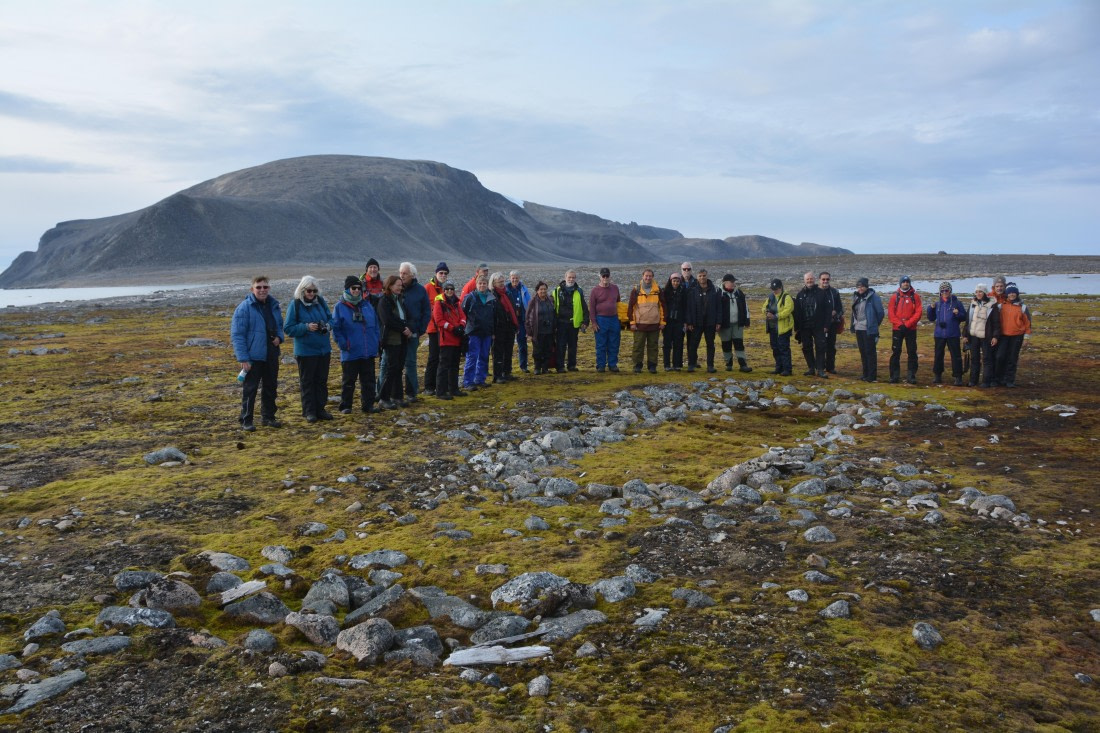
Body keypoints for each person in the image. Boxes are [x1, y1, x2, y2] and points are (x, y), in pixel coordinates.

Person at [231, 276, 284, 431]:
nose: (262, 290)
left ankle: (268, 417)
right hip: (253, 356)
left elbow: (280, 325)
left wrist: (279, 338)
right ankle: (246, 419)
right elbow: (237, 335)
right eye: (258, 287)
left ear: (269, 288)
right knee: (250, 389)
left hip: (271, 353)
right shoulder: (244, 308)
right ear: (252, 289)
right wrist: (243, 358)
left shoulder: (273, 305)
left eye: (265, 287)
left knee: (270, 387)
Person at [283, 275, 333, 423]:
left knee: (321, 381)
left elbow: (332, 319)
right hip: (305, 351)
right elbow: (288, 328)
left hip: (323, 350)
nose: (311, 294)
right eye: (309, 291)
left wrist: (327, 326)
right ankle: (309, 411)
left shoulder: (321, 302)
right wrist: (306, 327)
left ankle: (320, 409)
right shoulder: (295, 305)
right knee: (307, 382)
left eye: (314, 291)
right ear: (302, 290)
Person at [331, 276, 380, 414]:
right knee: (348, 381)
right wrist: (344, 344)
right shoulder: (339, 307)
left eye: (359, 288)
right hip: (350, 351)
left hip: (367, 350)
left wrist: (375, 342)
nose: (357, 291)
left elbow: (375, 325)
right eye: (353, 288)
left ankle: (368, 405)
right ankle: (346, 406)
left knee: (368, 380)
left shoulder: (367, 305)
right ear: (347, 289)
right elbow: (336, 328)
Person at [375, 275, 411, 409]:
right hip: (391, 340)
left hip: (402, 339)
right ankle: (384, 398)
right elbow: (387, 320)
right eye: (397, 285)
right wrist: (403, 328)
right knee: (392, 368)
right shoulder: (384, 301)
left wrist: (408, 328)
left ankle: (397, 396)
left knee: (399, 368)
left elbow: (405, 317)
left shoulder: (399, 300)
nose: (400, 287)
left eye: (401, 285)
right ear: (390, 286)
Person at [396, 262, 430, 401]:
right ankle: (388, 393)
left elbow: (426, 312)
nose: (402, 276)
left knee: (410, 362)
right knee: (391, 363)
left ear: (412, 275)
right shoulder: (395, 288)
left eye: (405, 273)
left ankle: (412, 392)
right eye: (400, 273)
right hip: (396, 334)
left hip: (413, 333)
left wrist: (419, 330)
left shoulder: (420, 290)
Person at [926, 281, 967, 386]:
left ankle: (958, 377)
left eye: (946, 290)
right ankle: (937, 376)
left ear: (950, 291)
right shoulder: (937, 304)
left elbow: (964, 317)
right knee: (938, 355)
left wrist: (958, 314)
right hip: (939, 334)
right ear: (940, 292)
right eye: (942, 290)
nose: (944, 292)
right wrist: (930, 308)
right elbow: (931, 318)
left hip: (953, 333)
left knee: (956, 356)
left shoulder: (957, 303)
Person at [431, 281, 466, 400]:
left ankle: (453, 388)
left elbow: (463, 316)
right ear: (443, 290)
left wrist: (461, 326)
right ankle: (441, 391)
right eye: (447, 289)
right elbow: (438, 320)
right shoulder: (439, 303)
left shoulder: (456, 302)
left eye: (451, 289)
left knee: (455, 364)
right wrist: (452, 328)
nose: (449, 291)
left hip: (457, 338)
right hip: (446, 339)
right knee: (444, 365)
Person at [461, 274, 496, 389]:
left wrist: (493, 331)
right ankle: (468, 382)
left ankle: (480, 379)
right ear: (476, 285)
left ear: (487, 285)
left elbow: (494, 316)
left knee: (484, 356)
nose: (482, 285)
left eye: (484, 283)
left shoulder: (491, 298)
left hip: (486, 332)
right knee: (472, 356)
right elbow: (463, 313)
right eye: (480, 283)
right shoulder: (470, 297)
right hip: (473, 332)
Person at [994, 284, 1031, 388]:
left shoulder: (1023, 307)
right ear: (1006, 294)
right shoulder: (1001, 306)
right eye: (1009, 293)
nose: (1011, 294)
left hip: (1017, 336)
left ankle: (1009, 380)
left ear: (1017, 293)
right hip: (1003, 336)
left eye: (1013, 292)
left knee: (1012, 358)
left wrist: (1026, 338)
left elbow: (1028, 324)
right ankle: (998, 378)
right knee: (1000, 357)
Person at [628, 268, 664, 374]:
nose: (648, 278)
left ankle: (652, 366)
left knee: (653, 346)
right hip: (639, 325)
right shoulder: (636, 290)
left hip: (654, 324)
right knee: (638, 346)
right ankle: (637, 366)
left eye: (650, 276)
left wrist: (663, 322)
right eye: (646, 276)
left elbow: (663, 307)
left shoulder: (658, 290)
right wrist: (632, 322)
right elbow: (631, 307)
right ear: (642, 276)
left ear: (653, 277)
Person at [551, 270, 589, 372]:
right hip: (561, 323)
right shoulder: (556, 291)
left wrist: (585, 321)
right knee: (561, 345)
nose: (571, 279)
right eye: (569, 277)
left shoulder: (579, 291)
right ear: (565, 277)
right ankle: (560, 366)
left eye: (573, 277)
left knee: (573, 345)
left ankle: (571, 365)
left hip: (574, 323)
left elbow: (584, 307)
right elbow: (552, 308)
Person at [887, 275, 923, 384]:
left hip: (910, 329)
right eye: (904, 282)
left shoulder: (915, 297)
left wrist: (907, 324)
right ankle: (894, 375)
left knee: (912, 352)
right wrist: (899, 324)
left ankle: (911, 375)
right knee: (896, 351)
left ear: (909, 283)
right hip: (897, 329)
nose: (906, 283)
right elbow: (890, 313)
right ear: (900, 283)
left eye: (907, 282)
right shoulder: (895, 297)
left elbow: (918, 312)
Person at [794, 271, 829, 378]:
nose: (809, 281)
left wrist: (826, 325)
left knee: (820, 347)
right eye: (807, 279)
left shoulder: (821, 293)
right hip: (804, 326)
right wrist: (797, 328)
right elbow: (797, 312)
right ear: (804, 281)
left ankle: (820, 369)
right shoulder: (800, 294)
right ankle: (811, 368)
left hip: (819, 326)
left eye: (811, 279)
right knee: (806, 347)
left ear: (814, 280)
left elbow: (828, 310)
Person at [686, 268, 721, 372]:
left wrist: (718, 321)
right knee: (693, 344)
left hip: (710, 322)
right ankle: (691, 364)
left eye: (704, 275)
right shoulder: (692, 290)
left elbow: (718, 306)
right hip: (696, 322)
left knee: (710, 344)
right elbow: (689, 307)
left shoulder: (714, 289)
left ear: (707, 276)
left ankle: (710, 366)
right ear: (697, 277)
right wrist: (689, 322)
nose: (702, 278)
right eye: (700, 276)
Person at [422, 262, 449, 396]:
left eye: (445, 273)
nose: (443, 275)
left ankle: (441, 384)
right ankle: (429, 386)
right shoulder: (428, 288)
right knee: (433, 357)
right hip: (433, 328)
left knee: (443, 357)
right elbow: (424, 307)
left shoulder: (446, 289)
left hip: (444, 329)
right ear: (436, 273)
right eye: (441, 273)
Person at [850, 277, 885, 382]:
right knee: (863, 352)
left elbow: (880, 313)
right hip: (858, 328)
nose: (860, 288)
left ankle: (872, 376)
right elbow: (854, 312)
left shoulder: (874, 297)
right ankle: (865, 374)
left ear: (866, 287)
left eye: (862, 286)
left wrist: (873, 324)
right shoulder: (856, 297)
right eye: (858, 286)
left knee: (870, 352)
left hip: (869, 329)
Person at [966, 283, 1000, 388]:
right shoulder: (972, 304)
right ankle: (973, 380)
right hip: (974, 335)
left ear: (985, 293)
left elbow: (996, 323)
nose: (978, 294)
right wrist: (965, 335)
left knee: (987, 359)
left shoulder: (992, 306)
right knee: (974, 358)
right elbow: (968, 321)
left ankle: (986, 381)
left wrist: (995, 336)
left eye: (980, 291)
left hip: (986, 336)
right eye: (976, 292)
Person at [589, 267, 622, 373]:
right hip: (601, 319)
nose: (605, 278)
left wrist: (621, 319)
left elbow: (618, 302)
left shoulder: (615, 288)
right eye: (603, 276)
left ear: (610, 276)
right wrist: (594, 322)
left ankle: (613, 364)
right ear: (600, 277)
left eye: (607, 276)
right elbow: (592, 308)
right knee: (601, 343)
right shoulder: (595, 291)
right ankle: (601, 365)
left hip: (614, 319)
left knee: (614, 343)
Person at [490, 272, 520, 383]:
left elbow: (512, 309)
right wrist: (492, 330)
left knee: (508, 350)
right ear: (493, 283)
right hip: (498, 328)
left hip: (509, 326)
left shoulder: (507, 293)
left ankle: (507, 372)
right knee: (498, 352)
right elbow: (491, 315)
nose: (502, 284)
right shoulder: (492, 296)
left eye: (503, 281)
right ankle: (497, 375)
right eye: (499, 282)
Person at [718, 274, 752, 372]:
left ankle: (743, 364)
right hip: (725, 324)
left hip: (737, 324)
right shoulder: (719, 293)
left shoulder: (739, 293)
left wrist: (747, 319)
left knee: (739, 343)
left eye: (734, 282)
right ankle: (728, 364)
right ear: (725, 282)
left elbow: (745, 306)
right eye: (731, 282)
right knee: (726, 344)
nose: (734, 284)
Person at [762, 278, 793, 376]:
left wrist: (776, 316)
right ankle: (778, 367)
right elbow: (764, 307)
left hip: (783, 328)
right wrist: (766, 312)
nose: (774, 291)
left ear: (780, 287)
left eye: (776, 289)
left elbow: (788, 310)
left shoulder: (786, 297)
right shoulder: (770, 297)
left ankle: (787, 369)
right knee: (775, 348)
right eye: (773, 289)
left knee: (783, 348)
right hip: (772, 328)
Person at [525, 281, 556, 374]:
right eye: (541, 289)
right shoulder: (533, 302)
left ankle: (545, 368)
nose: (543, 291)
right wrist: (529, 332)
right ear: (537, 291)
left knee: (548, 349)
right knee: (537, 350)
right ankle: (537, 368)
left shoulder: (551, 300)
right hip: (537, 331)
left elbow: (554, 314)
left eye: (545, 289)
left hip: (549, 330)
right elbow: (527, 318)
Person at [505, 271, 532, 373]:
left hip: (521, 320)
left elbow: (528, 303)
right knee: (508, 345)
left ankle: (523, 365)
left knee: (522, 344)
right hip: (510, 321)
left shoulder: (523, 289)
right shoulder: (506, 290)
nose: (515, 280)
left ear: (519, 278)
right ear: (510, 278)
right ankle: (507, 368)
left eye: (516, 278)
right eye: (513, 278)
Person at [662, 272, 687, 370]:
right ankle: (667, 365)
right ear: (670, 281)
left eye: (677, 281)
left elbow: (686, 307)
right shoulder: (665, 292)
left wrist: (685, 321)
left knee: (678, 343)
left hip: (679, 321)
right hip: (668, 321)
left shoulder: (684, 292)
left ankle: (677, 364)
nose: (675, 283)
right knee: (667, 343)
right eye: (674, 281)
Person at [819, 272, 843, 374]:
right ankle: (820, 367)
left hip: (832, 324)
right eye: (823, 279)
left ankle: (830, 367)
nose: (825, 281)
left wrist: (835, 313)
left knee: (831, 346)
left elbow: (840, 308)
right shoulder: (815, 291)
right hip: (818, 325)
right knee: (820, 346)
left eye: (827, 279)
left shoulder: (834, 292)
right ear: (819, 280)